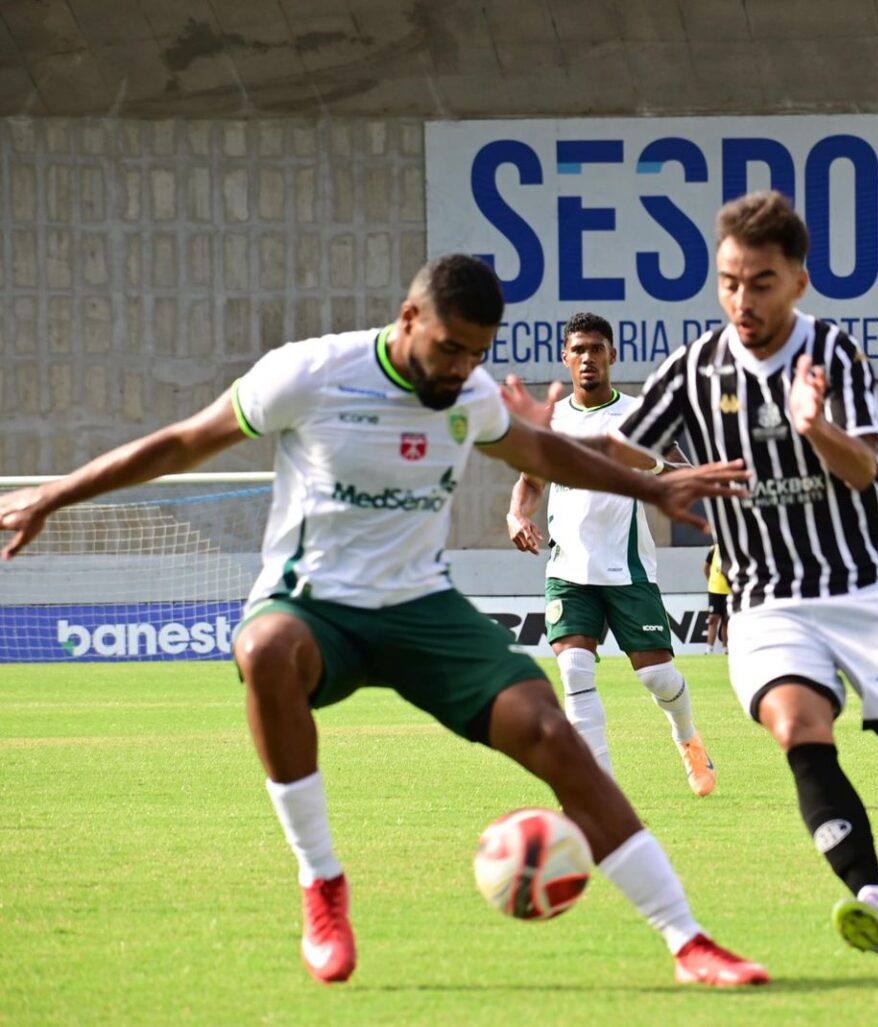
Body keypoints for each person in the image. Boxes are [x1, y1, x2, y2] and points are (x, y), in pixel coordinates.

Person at [0, 255, 767, 988]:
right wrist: (53, 495)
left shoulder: (468, 395)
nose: (460, 369)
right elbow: (181, 442)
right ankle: (322, 880)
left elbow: (545, 451)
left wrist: (651, 487)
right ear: (409, 319)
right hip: (315, 604)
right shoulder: (309, 372)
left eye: (476, 354)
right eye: (449, 348)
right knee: (264, 646)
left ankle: (686, 938)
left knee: (549, 731)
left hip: (420, 608)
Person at [589, 190, 878, 962]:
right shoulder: (695, 368)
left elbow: (863, 465)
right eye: (729, 280)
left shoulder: (833, 354)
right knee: (798, 727)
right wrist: (557, 458)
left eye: (760, 281)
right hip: (767, 595)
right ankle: (874, 898)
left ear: (798, 281)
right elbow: (617, 451)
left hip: (866, 583)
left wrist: (815, 426)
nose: (742, 298)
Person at [507, 312, 715, 796]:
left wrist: (650, 461)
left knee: (660, 678)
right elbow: (529, 481)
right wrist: (518, 515)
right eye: (577, 349)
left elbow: (682, 475)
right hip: (568, 569)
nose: (587, 358)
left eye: (596, 349)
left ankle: (687, 736)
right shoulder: (552, 418)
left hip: (628, 569)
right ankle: (602, 795)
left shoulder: (640, 415)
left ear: (612, 356)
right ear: (565, 357)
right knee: (575, 669)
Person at [704, 546, 730, 654]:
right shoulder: (713, 549)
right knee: (713, 619)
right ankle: (709, 650)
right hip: (715, 590)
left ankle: (726, 650)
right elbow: (706, 568)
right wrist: (711, 582)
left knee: (726, 620)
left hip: (730, 591)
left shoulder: (733, 547)